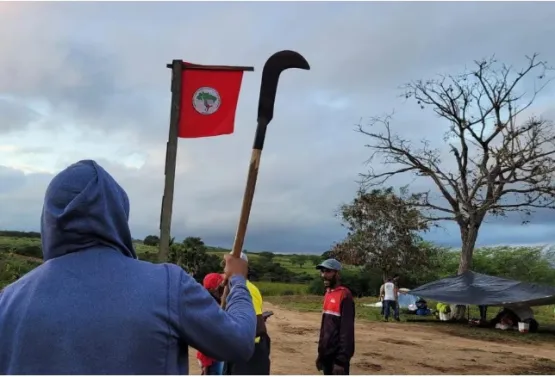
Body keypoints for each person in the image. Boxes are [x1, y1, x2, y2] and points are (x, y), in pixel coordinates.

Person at [0, 160, 257, 374]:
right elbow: (239, 342)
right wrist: (237, 281)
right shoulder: (167, 285)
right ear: (117, 217)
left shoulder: (8, 301)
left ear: (48, 219)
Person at [225, 252, 271, 375]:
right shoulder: (232, 288)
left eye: (229, 265)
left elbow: (256, 324)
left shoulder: (247, 289)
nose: (225, 269)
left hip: (250, 351)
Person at [315, 259, 355, 375]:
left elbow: (347, 331)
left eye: (328, 271)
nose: (323, 275)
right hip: (326, 356)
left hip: (337, 359)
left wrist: (341, 361)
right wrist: (320, 355)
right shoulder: (328, 293)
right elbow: (325, 329)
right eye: (322, 271)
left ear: (337, 274)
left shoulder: (345, 295)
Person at [197, 273, 226, 375]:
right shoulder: (211, 308)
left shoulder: (207, 303)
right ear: (215, 289)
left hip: (212, 356)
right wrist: (205, 362)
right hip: (212, 358)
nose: (224, 289)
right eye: (221, 286)